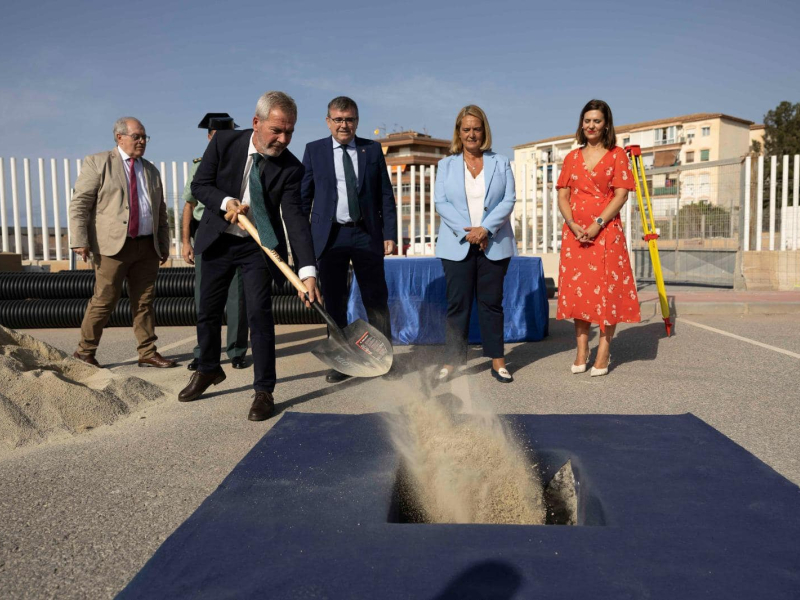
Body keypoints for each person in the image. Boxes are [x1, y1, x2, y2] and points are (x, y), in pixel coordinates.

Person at [178, 91, 319, 421]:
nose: (283, 139)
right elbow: (200, 185)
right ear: (257, 123)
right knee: (207, 310)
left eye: (290, 132)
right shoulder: (224, 143)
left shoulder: (290, 168)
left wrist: (308, 271)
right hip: (218, 238)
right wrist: (226, 202)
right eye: (276, 130)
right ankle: (209, 369)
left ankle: (264, 390)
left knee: (259, 315)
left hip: (259, 246)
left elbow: (296, 219)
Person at [300, 96, 399, 383]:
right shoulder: (314, 150)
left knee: (376, 298)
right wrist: (304, 243)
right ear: (328, 121)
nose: (344, 125)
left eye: (350, 119)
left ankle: (385, 358)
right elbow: (304, 199)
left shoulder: (372, 149)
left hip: (366, 233)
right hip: (330, 237)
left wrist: (389, 234)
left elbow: (384, 195)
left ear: (357, 121)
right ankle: (342, 360)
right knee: (335, 299)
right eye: (339, 119)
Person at [70, 117, 177, 369]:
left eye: (144, 137)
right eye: (137, 136)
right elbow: (80, 204)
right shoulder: (97, 163)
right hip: (111, 247)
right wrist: (79, 240)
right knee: (104, 300)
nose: (141, 141)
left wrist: (162, 243)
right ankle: (85, 352)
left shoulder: (150, 170)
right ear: (120, 137)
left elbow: (160, 211)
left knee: (144, 302)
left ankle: (147, 352)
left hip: (146, 247)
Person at [556, 99, 641, 377]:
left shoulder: (617, 155)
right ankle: (582, 350)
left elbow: (621, 194)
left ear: (606, 125)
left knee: (607, 292)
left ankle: (604, 350)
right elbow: (563, 194)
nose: (591, 125)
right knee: (579, 291)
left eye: (597, 121)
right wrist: (571, 223)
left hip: (606, 233)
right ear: (582, 123)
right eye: (587, 120)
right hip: (574, 234)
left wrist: (596, 224)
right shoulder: (571, 157)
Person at [433, 105, 517, 384]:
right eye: (466, 128)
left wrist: (485, 230)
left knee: (491, 304)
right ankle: (452, 362)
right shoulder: (445, 165)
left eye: (476, 128)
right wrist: (467, 232)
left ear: (484, 131)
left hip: (493, 243)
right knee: (458, 305)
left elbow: (508, 199)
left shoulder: (500, 162)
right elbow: (441, 203)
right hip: (457, 243)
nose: (472, 134)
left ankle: (498, 360)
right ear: (459, 131)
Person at [181, 113, 249, 371]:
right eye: (217, 136)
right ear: (210, 137)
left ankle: (237, 350)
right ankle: (203, 352)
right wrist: (187, 242)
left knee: (238, 295)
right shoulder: (199, 166)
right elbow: (189, 205)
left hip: (237, 233)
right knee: (204, 297)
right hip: (207, 234)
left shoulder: (242, 162)